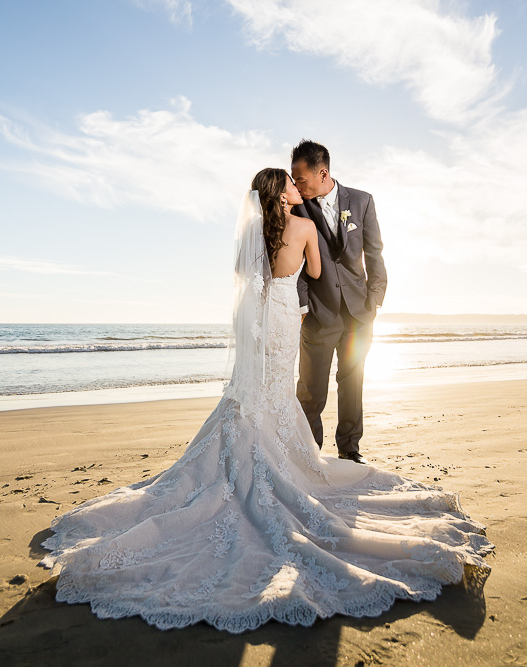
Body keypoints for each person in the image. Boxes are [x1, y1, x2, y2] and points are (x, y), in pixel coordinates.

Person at [38, 168, 493, 634]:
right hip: (282, 316)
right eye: (292, 185)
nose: (298, 188)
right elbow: (314, 271)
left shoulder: (251, 232)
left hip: (257, 313)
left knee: (250, 391)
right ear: (282, 194)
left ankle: (245, 450)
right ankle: (280, 455)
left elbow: (244, 274)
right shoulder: (305, 228)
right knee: (279, 389)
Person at [290, 140, 385, 465]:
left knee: (352, 384)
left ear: (323, 173)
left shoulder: (361, 201)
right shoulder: (296, 207)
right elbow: (295, 261)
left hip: (359, 315)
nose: (296, 185)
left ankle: (349, 450)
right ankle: (309, 454)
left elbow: (374, 253)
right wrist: (304, 306)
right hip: (318, 314)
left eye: (300, 179)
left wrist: (375, 301)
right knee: (310, 391)